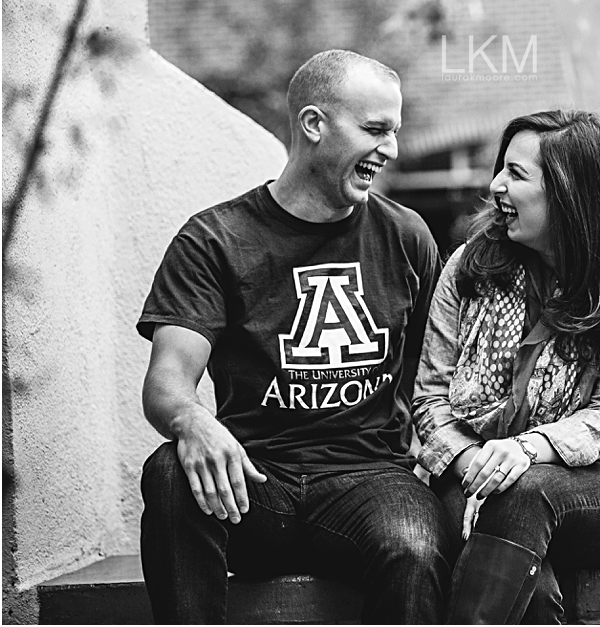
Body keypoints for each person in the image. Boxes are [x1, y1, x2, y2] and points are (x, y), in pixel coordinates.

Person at [137, 50, 450, 624]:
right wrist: (191, 421)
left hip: (371, 481)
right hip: (253, 484)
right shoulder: (215, 240)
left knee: (413, 544)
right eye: (376, 130)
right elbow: (166, 384)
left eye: (395, 132)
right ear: (313, 125)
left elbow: (434, 381)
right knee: (168, 470)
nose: (392, 150)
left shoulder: (406, 236)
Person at [412, 110, 600, 624]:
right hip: (467, 471)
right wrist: (480, 463)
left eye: (516, 174)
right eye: (501, 169)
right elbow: (429, 399)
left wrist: (524, 450)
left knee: (525, 489)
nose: (496, 186)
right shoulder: (470, 268)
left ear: (569, 195)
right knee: (531, 587)